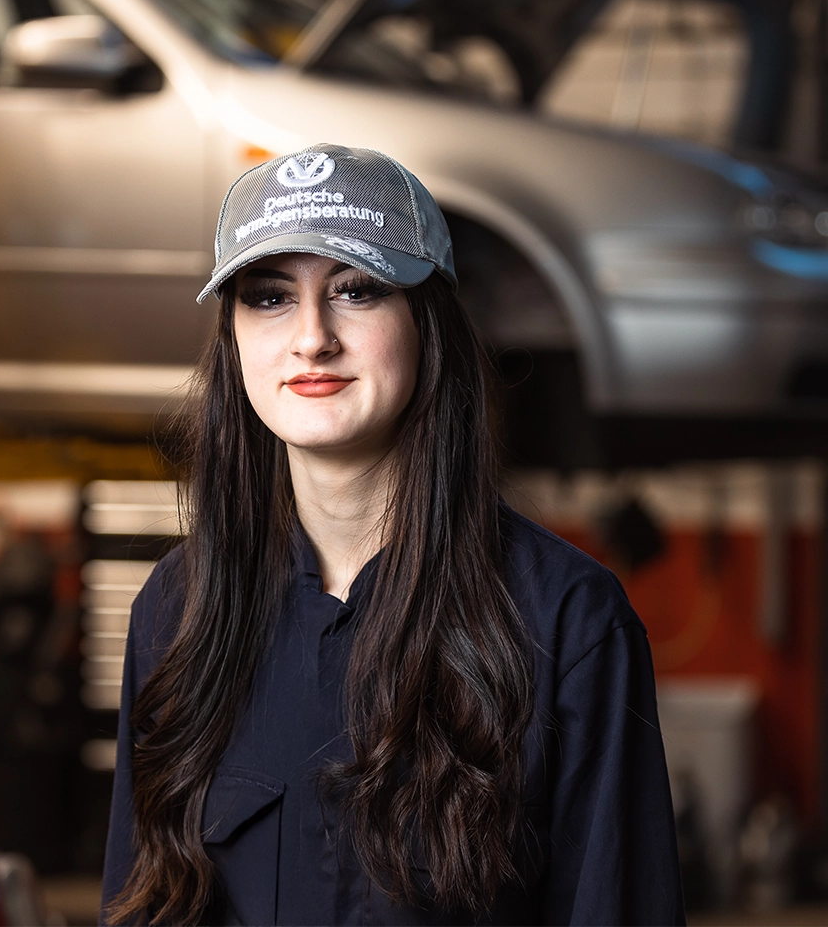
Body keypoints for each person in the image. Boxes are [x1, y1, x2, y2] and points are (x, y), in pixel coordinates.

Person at [100, 145, 685, 926]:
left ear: (427, 324)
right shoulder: (178, 610)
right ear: (233, 338)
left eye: (358, 290)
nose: (312, 337)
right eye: (270, 298)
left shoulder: (568, 624)